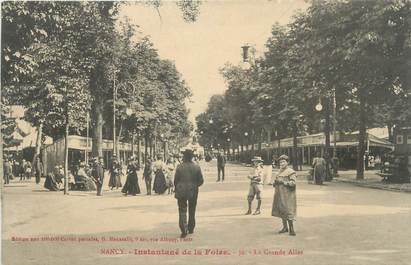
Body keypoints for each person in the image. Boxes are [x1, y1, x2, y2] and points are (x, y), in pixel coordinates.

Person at [174, 148, 204, 238]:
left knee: (182, 209)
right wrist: (195, 185)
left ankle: (184, 229)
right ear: (192, 157)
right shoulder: (197, 167)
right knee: (192, 209)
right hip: (193, 190)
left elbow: (176, 180)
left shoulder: (179, 167)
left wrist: (178, 187)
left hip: (181, 190)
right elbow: (201, 181)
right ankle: (191, 228)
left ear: (184, 157)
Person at [272, 155, 297, 236]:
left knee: (288, 210)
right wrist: (275, 183)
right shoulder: (279, 171)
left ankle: (291, 228)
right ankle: (285, 227)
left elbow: (293, 183)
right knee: (281, 209)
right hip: (279, 193)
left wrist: (283, 182)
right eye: (280, 162)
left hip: (288, 195)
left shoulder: (291, 171)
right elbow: (275, 182)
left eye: (283, 162)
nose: (282, 163)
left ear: (288, 162)